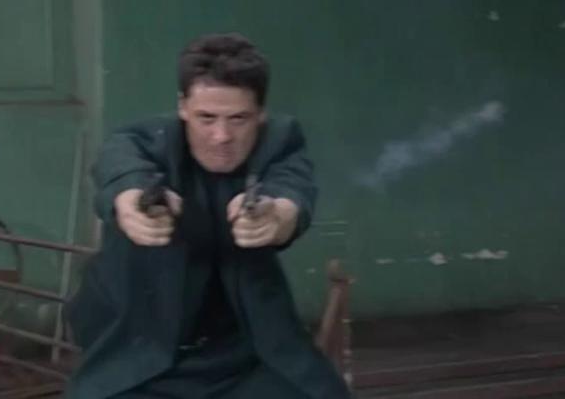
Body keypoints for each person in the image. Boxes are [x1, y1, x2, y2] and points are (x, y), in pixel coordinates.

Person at [64, 33, 353, 398]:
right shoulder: (141, 139)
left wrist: (277, 217)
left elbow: (292, 190)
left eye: (239, 119)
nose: (221, 136)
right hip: (140, 354)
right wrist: (132, 200)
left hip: (249, 355)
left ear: (261, 114)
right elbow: (121, 168)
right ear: (183, 106)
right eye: (206, 118)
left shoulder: (280, 140)